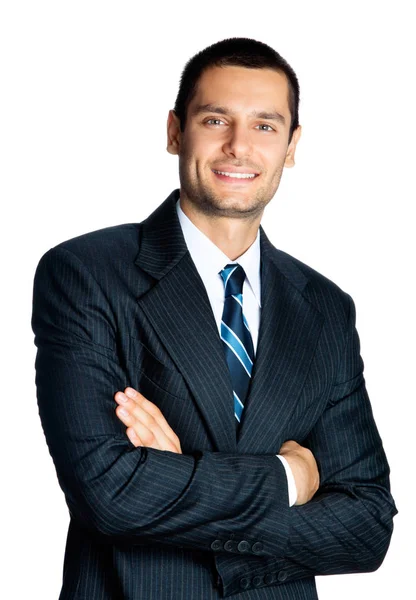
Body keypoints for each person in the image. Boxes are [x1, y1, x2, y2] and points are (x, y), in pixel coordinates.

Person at [32, 37, 397, 600]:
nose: (238, 147)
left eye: (265, 127)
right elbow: (110, 493)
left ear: (292, 146)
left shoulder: (324, 309)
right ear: (176, 131)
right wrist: (288, 478)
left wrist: (181, 477)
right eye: (215, 119)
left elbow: (367, 528)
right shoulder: (85, 275)